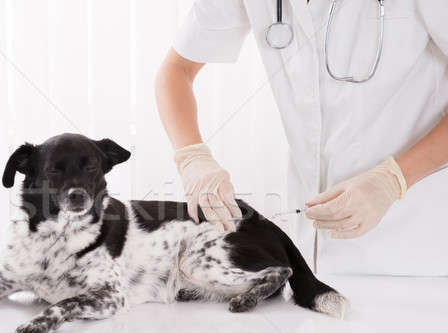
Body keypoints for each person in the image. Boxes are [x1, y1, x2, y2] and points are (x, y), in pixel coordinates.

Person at [155, 0, 448, 274]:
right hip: (312, 251)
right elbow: (176, 70)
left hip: (419, 246)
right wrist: (192, 157)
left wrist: (393, 179)